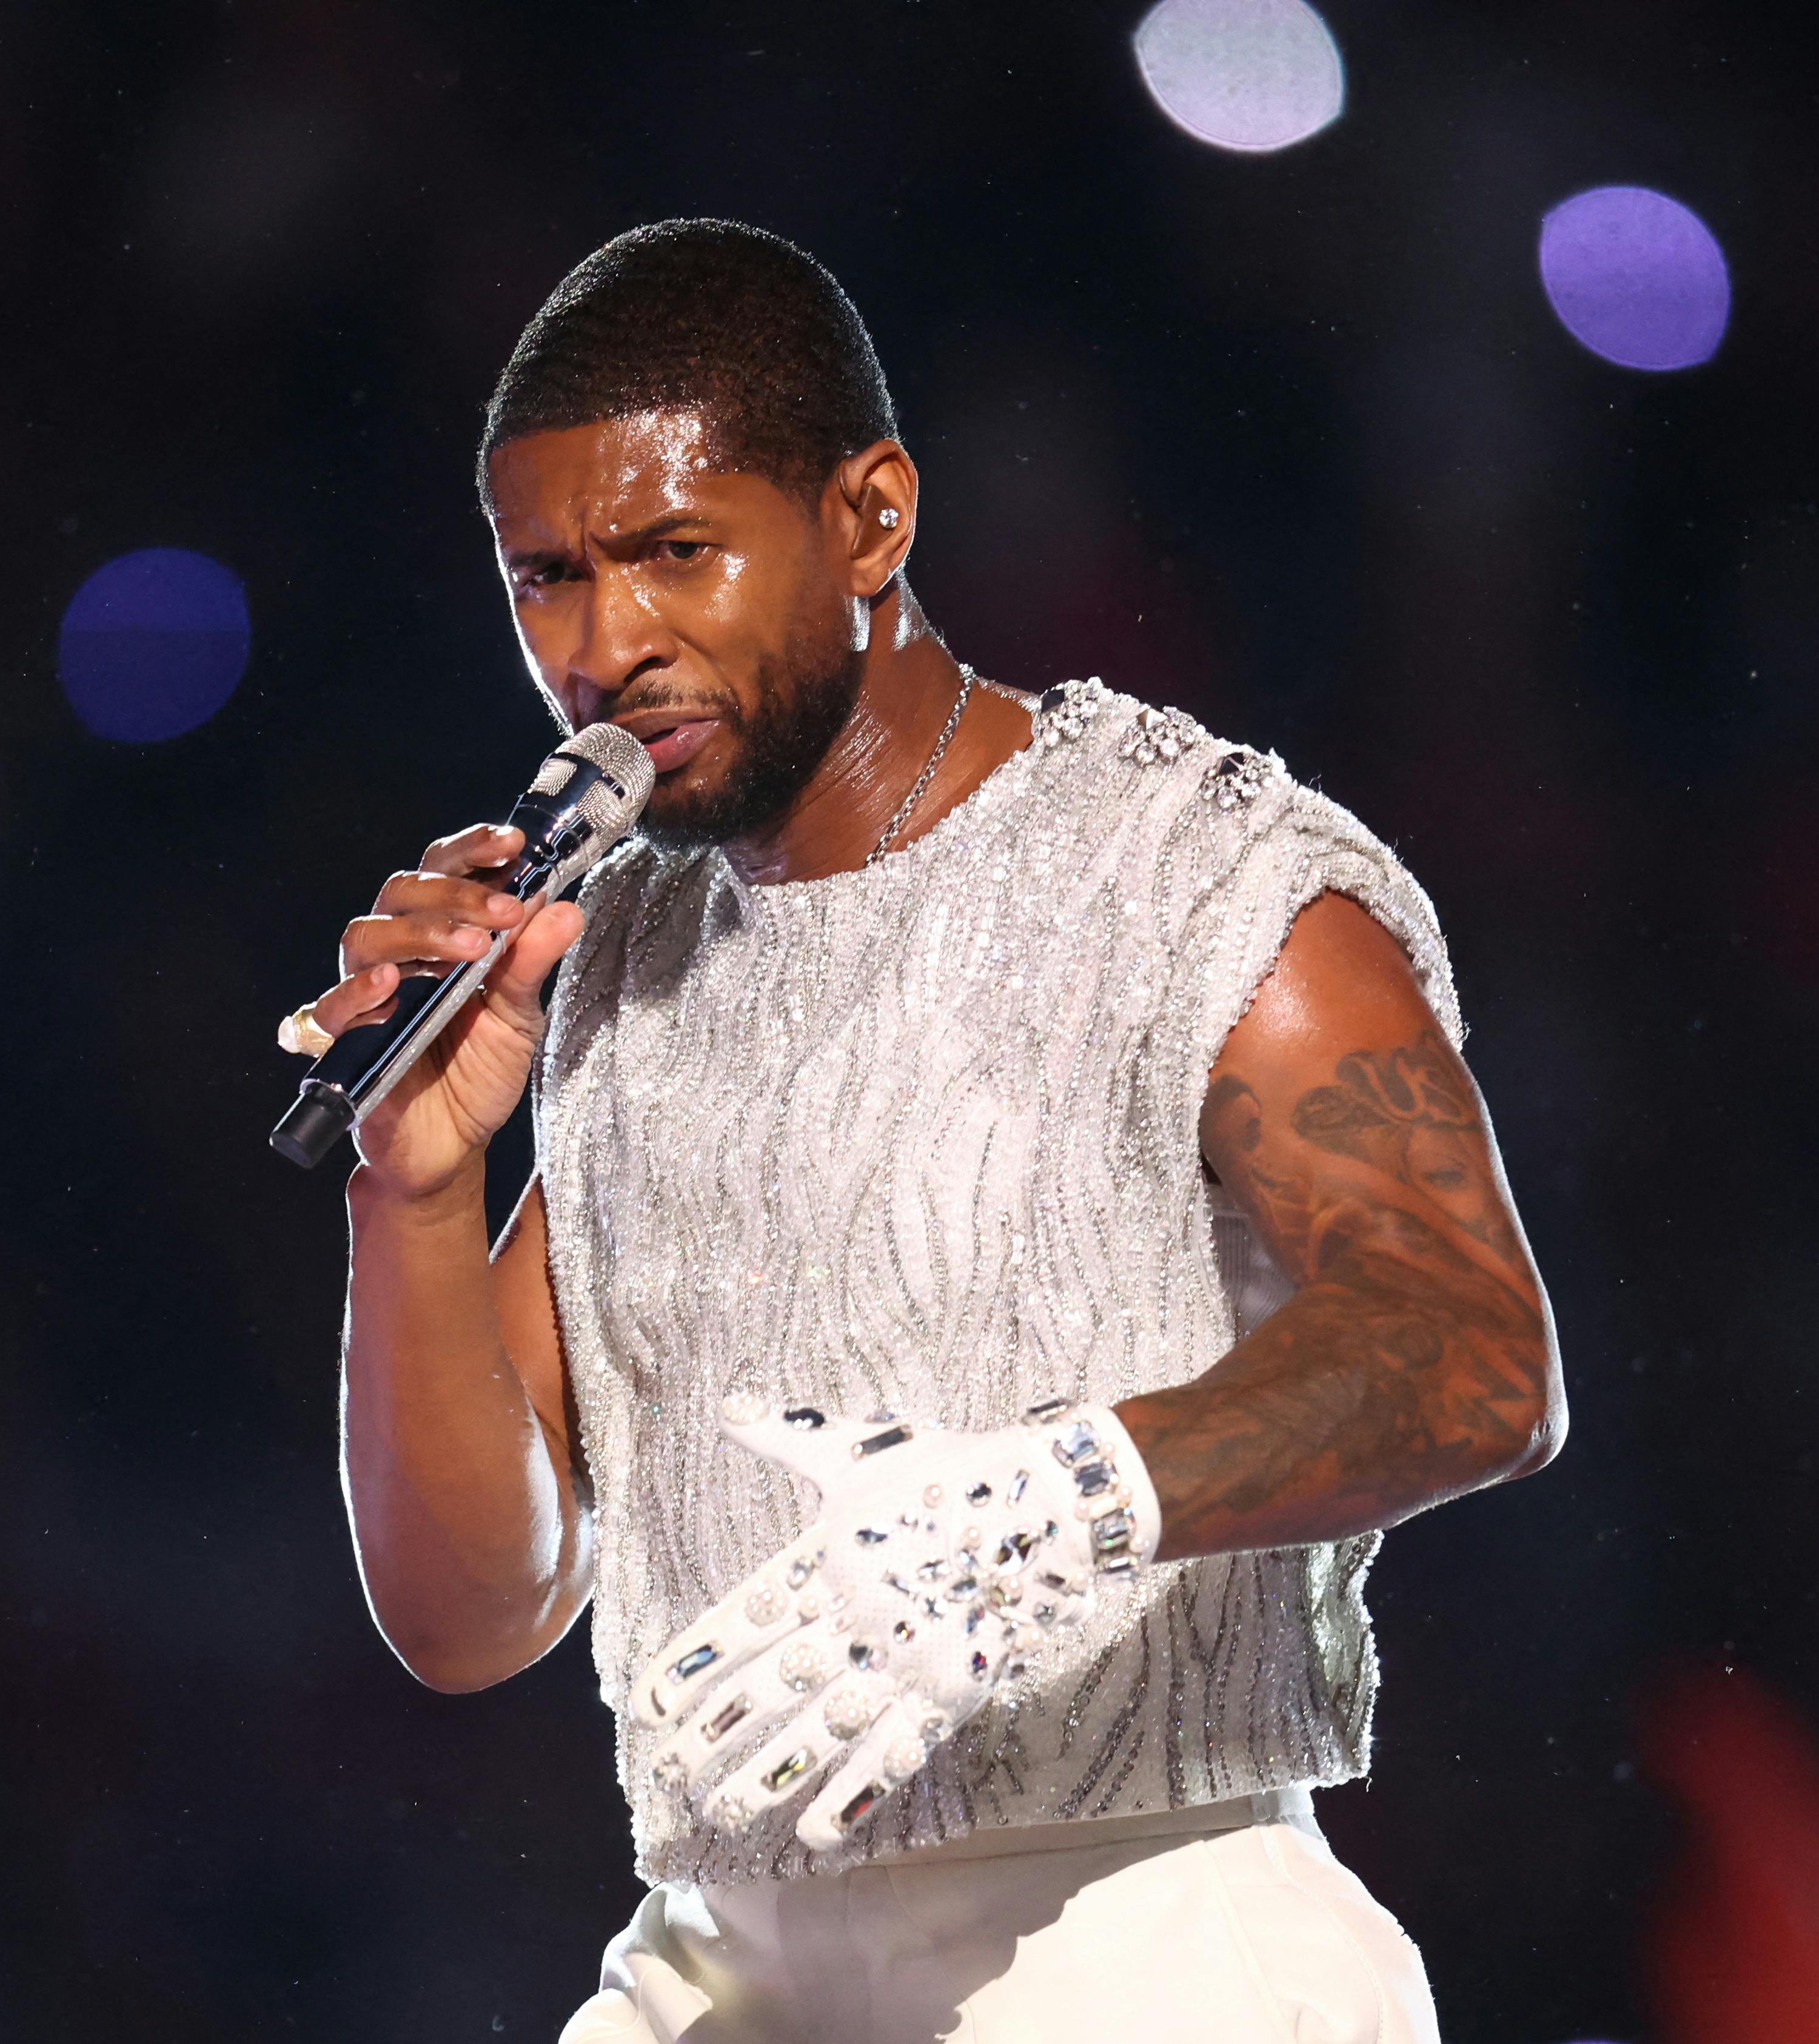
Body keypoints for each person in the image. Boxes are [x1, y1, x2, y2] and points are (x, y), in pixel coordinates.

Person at [287, 218, 1565, 2043]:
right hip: (716, 1960)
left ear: (871, 520)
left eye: (675, 554)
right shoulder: (622, 963)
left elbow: (1477, 1350)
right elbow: (475, 1612)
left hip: (1146, 1938)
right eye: (546, 576)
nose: (606, 643)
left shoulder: (1190, 872)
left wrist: (1065, 1502)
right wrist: (414, 1189)